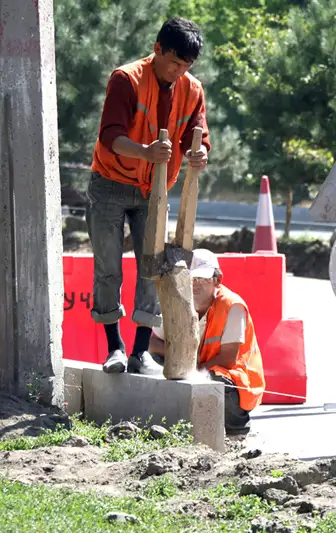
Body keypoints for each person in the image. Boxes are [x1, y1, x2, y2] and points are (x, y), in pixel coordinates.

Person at [88, 17, 211, 375]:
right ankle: (115, 348)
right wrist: (145, 152)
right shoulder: (126, 79)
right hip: (110, 184)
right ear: (157, 50)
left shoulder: (192, 89)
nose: (179, 71)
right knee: (109, 269)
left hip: (154, 191)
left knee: (152, 269)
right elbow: (110, 135)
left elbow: (198, 134)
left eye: (186, 66)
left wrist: (199, 152)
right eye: (174, 62)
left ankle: (141, 352)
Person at [149, 249, 265, 436]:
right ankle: (172, 424)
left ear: (217, 280)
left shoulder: (231, 306)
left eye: (203, 279)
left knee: (217, 378)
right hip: (192, 366)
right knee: (153, 361)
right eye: (191, 279)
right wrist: (180, 363)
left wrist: (191, 370)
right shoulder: (177, 301)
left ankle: (236, 429)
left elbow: (227, 359)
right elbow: (154, 344)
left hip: (234, 378)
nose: (195, 285)